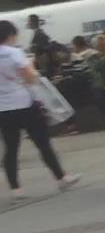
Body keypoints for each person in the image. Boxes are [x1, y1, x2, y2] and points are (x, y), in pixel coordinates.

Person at [2, 20, 82, 201]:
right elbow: (30, 77)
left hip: (4, 108)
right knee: (42, 143)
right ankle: (61, 177)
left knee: (11, 147)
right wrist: (32, 72)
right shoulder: (14, 53)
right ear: (10, 35)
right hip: (25, 103)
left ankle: (16, 188)